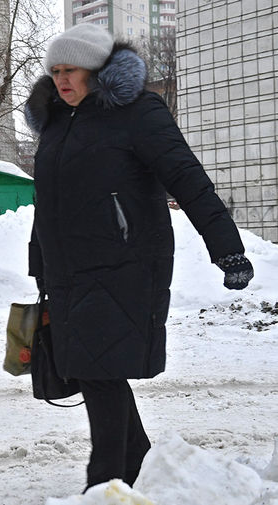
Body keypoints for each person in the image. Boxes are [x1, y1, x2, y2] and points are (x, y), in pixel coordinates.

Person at [24, 24, 254, 490]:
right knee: (92, 371)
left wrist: (227, 249)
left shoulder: (137, 113)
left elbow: (188, 178)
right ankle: (142, 466)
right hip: (68, 273)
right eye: (55, 71)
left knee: (98, 370)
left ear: (97, 70)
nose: (61, 80)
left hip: (125, 266)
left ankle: (104, 482)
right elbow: (48, 200)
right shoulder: (55, 123)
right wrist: (39, 264)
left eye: (71, 70)